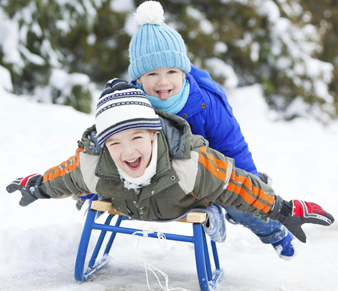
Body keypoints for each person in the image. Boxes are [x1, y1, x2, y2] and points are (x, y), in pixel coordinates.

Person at [6, 79, 334, 248]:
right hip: (132, 204)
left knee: (229, 197)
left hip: (184, 200)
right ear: (104, 144)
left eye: (136, 137)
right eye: (115, 142)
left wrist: (283, 209)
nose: (127, 150)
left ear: (153, 135)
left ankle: (220, 219)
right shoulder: (94, 163)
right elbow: (62, 177)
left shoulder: (189, 162)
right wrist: (36, 186)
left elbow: (238, 186)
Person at [127, 1, 294, 258]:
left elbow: (232, 145)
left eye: (171, 71)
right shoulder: (130, 105)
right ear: (138, 78)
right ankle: (211, 209)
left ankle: (274, 232)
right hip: (163, 182)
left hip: (212, 174)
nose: (162, 82)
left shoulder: (205, 103)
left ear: (183, 72)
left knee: (238, 196)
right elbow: (112, 146)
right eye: (152, 74)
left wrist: (251, 185)